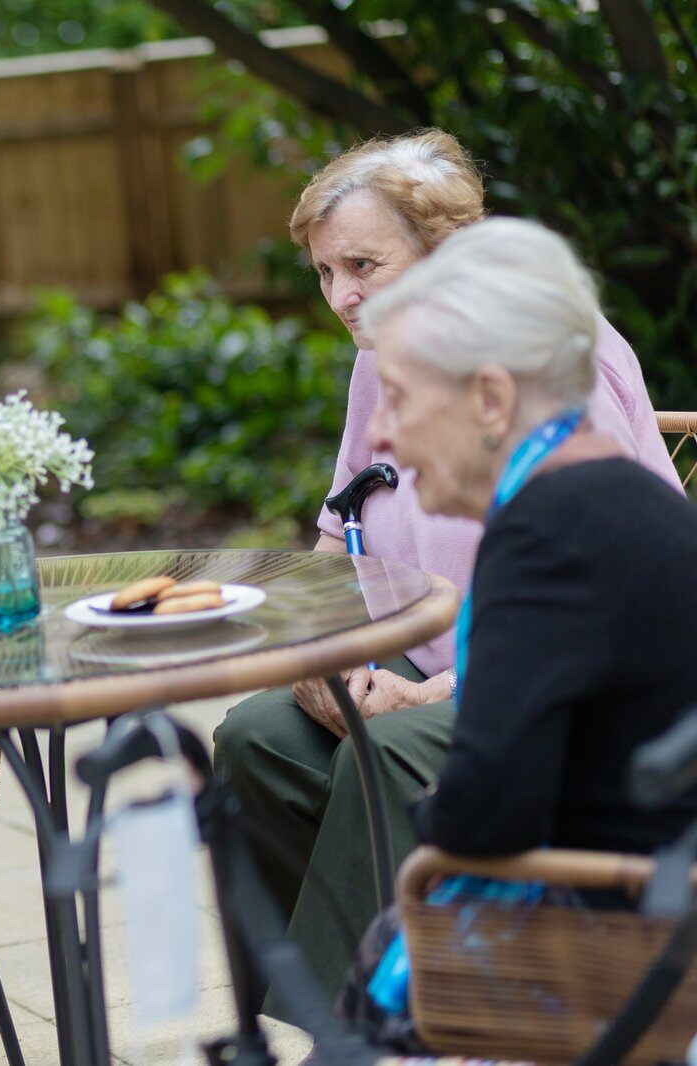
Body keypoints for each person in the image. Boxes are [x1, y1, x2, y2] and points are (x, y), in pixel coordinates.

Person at [211, 129, 684, 1004]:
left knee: (384, 753)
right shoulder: (381, 359)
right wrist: (327, 649)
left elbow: (593, 603)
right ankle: (349, 1007)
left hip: (535, 676)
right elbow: (337, 528)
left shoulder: (546, 369)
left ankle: (406, 1014)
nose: (341, 296)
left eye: (360, 264)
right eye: (324, 273)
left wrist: (430, 697)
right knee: (258, 738)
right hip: (423, 651)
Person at [334, 217, 697, 1048]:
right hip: (656, 902)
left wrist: (437, 817)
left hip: (627, 944)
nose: (381, 436)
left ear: (491, 399)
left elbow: (488, 817)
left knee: (387, 961)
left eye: (401, 396)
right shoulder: (622, 502)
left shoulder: (544, 536)